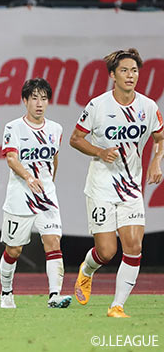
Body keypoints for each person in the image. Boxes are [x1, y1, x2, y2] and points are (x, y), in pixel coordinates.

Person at [71, 48, 163, 318]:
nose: (130, 75)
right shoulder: (98, 106)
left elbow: (160, 138)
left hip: (131, 189)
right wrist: (100, 152)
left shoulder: (148, 106)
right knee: (107, 251)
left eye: (134, 70)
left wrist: (156, 161)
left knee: (134, 246)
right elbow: (75, 139)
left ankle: (117, 306)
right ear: (113, 75)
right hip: (101, 187)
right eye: (124, 70)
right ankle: (87, 270)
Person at [0, 78, 71, 309]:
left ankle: (54, 295)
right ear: (25, 101)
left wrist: (48, 185)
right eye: (34, 98)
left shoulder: (56, 129)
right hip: (20, 196)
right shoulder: (13, 128)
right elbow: (11, 159)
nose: (39, 103)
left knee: (53, 242)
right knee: (14, 249)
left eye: (44, 99)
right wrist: (29, 178)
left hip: (46, 197)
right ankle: (6, 292)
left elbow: (54, 159)